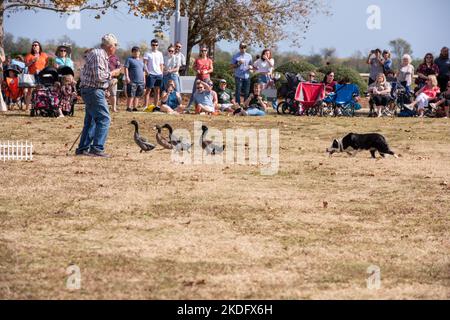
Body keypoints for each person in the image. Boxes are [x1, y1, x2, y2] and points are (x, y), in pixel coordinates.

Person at [75, 33, 122, 157]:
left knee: (91, 121)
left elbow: (96, 77)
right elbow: (99, 77)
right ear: (110, 46)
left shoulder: (98, 54)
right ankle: (97, 148)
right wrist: (113, 74)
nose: (116, 48)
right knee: (104, 119)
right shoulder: (99, 55)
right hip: (93, 91)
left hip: (91, 90)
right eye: (115, 45)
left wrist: (107, 85)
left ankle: (83, 148)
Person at [24, 41, 49, 110]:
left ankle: (40, 105)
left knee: (41, 90)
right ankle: (27, 108)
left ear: (39, 46)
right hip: (32, 75)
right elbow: (26, 65)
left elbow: (47, 64)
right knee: (30, 91)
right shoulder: (29, 55)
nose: (34, 46)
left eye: (36, 45)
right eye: (33, 45)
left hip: (41, 75)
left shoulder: (44, 55)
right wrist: (32, 61)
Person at [143, 39, 164, 111]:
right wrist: (147, 72)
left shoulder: (160, 53)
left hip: (159, 74)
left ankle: (156, 105)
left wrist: (162, 73)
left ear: (158, 46)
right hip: (151, 74)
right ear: (151, 45)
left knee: (157, 91)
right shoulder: (147, 53)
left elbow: (161, 64)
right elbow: (145, 63)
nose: (154, 46)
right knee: (148, 90)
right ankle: (145, 106)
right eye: (153, 45)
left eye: (156, 45)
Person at [124, 46, 145, 112]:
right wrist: (127, 77)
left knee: (137, 95)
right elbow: (126, 68)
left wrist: (144, 79)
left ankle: (135, 107)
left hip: (140, 81)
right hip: (132, 81)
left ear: (139, 52)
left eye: (137, 51)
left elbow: (143, 71)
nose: (136, 53)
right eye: (135, 51)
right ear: (132, 52)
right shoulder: (129, 59)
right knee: (131, 95)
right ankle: (129, 107)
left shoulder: (141, 61)